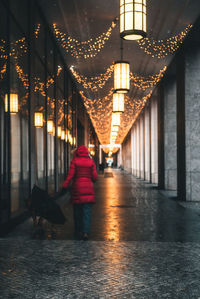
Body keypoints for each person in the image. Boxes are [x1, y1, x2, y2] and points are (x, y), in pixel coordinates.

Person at [62, 145, 98, 240]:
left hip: (77, 188)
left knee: (77, 211)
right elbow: (95, 177)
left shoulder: (75, 161)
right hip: (88, 188)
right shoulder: (91, 161)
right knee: (87, 212)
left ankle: (78, 230)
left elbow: (70, 175)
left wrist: (65, 185)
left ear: (77, 152)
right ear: (86, 152)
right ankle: (85, 232)